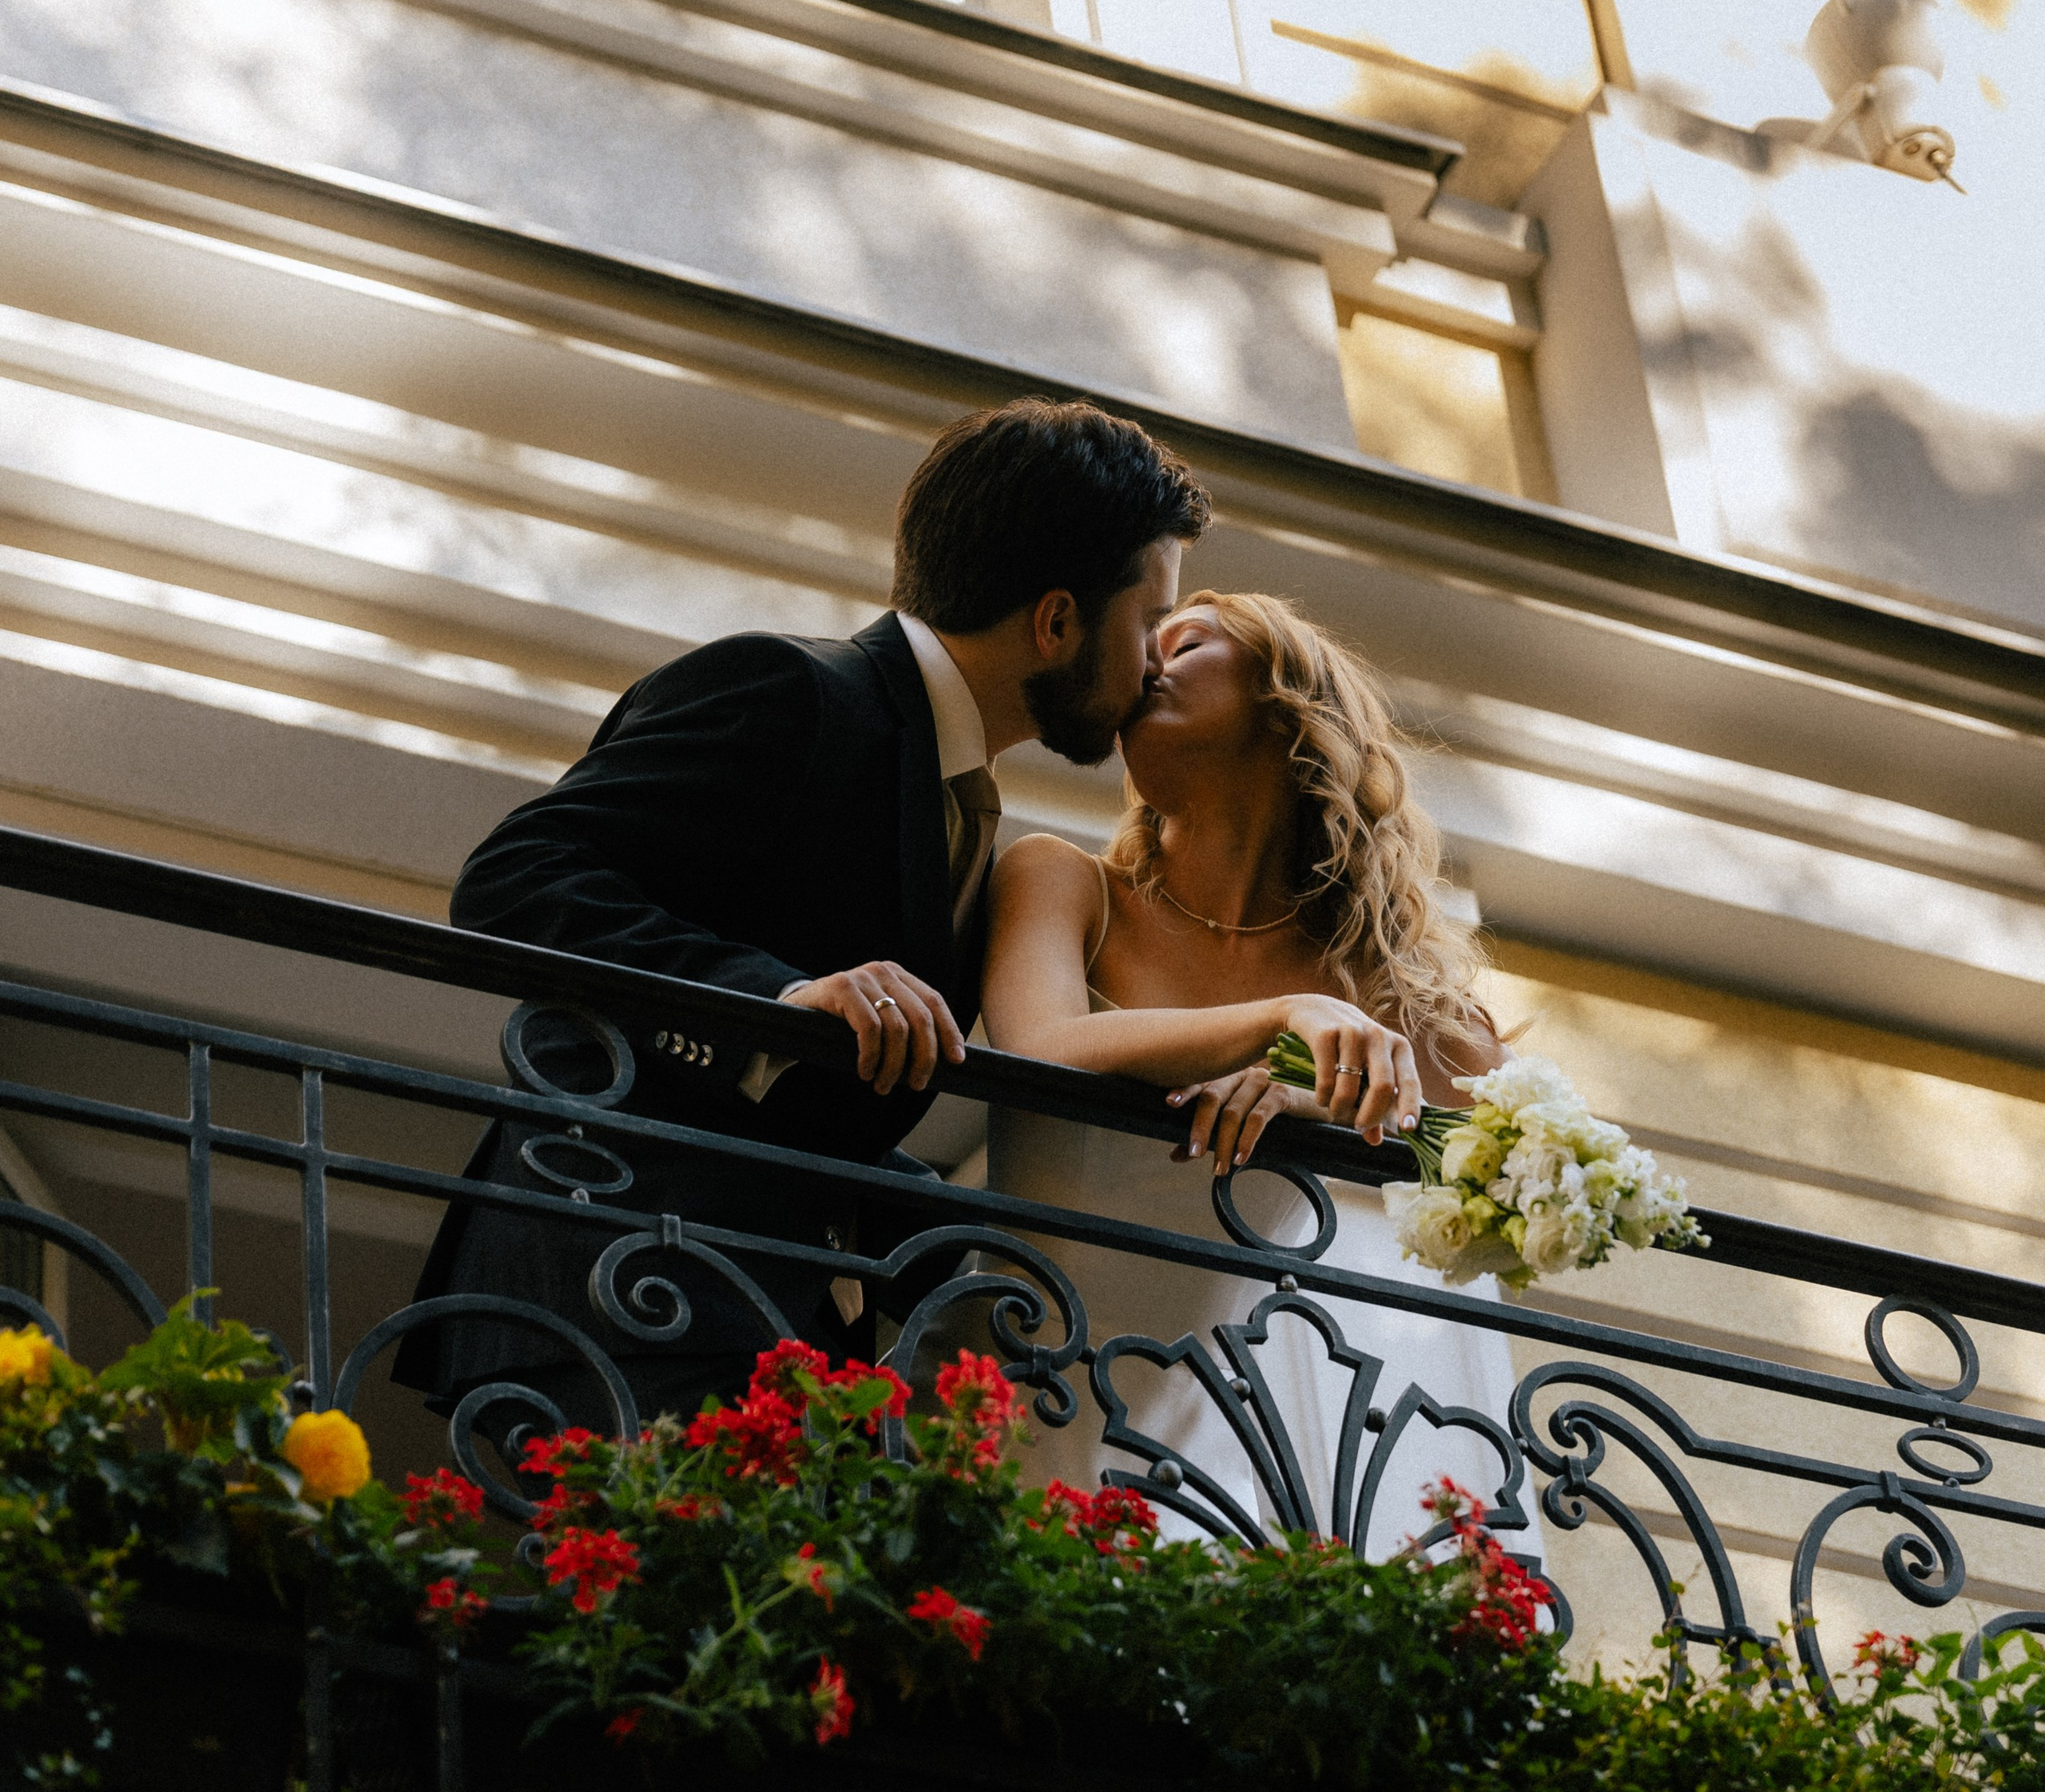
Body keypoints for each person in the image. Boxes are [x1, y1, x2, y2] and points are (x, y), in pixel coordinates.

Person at [395, 398, 1206, 1442]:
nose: (1153, 665)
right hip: (628, 1285)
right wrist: (777, 999)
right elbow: (516, 878)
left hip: (763, 1322)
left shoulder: (962, 805)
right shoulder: (789, 690)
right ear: (1056, 622)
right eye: (1148, 622)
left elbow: (826, 1124)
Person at [971, 590, 1534, 1554]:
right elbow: (1038, 1048)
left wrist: (1314, 1099)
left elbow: (1532, 1172)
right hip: (991, 1399)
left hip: (1193, 1472)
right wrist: (1279, 1023)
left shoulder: (1376, 986)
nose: (1144, 659)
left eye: (1185, 641)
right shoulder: (1065, 882)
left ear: (1287, 703)